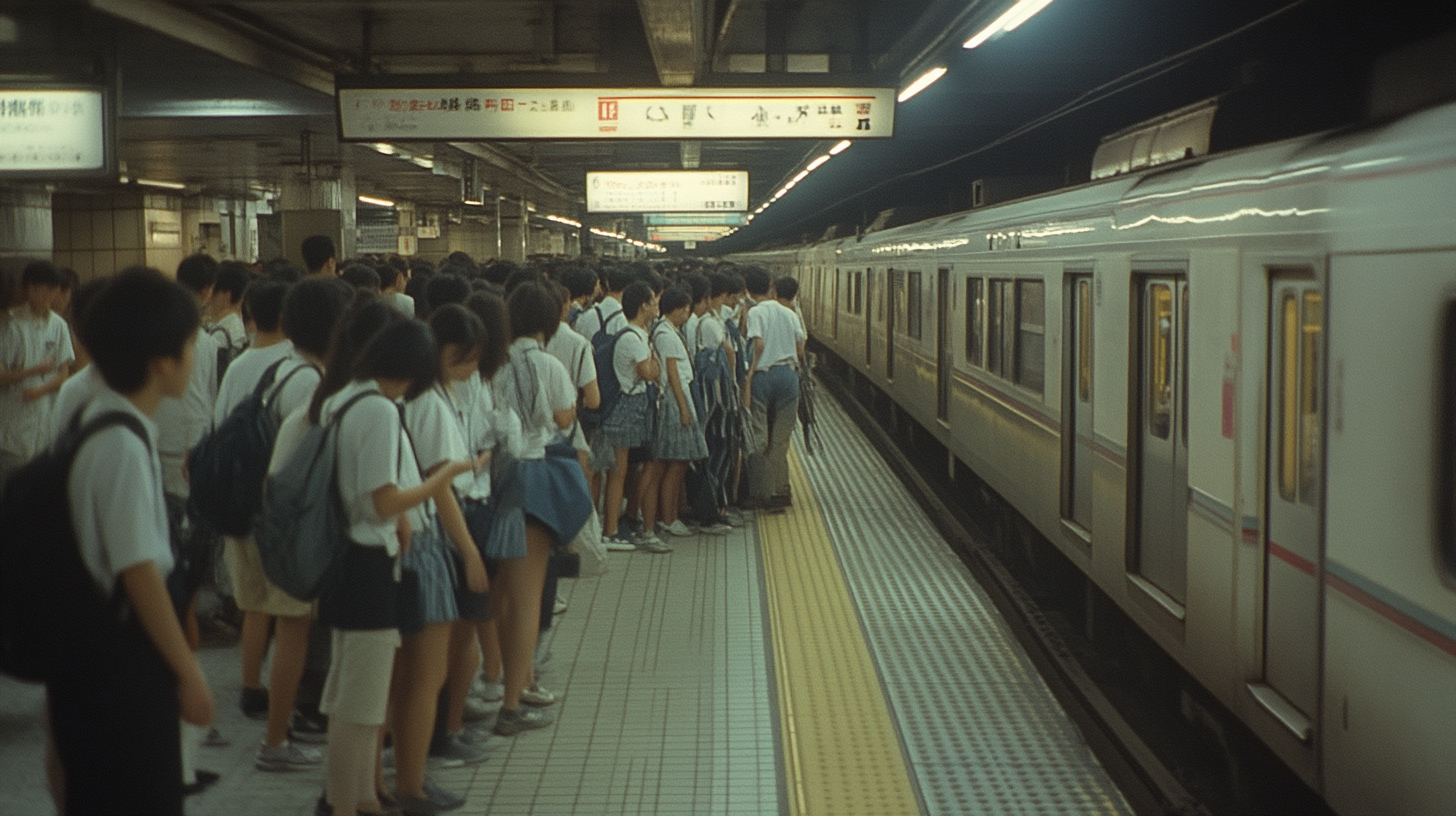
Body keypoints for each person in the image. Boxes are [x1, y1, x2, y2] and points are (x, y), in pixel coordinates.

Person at [48, 267, 215, 816]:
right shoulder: (119, 442)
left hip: (93, 656)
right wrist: (189, 674)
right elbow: (139, 573)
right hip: (119, 665)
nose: (195, 356)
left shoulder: (101, 421)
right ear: (161, 361)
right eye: (190, 345)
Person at [307, 317, 478, 816]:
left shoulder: (341, 398)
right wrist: (444, 476)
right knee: (360, 705)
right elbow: (383, 501)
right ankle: (346, 803)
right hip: (370, 565)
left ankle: (361, 797)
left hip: (346, 562)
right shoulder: (378, 411)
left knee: (350, 697)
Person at [393, 304, 494, 813]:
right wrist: (470, 553)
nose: (472, 369)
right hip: (428, 541)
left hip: (404, 540)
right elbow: (441, 489)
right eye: (466, 358)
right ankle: (411, 783)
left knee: (403, 676)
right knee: (423, 675)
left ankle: (393, 779)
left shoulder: (404, 399)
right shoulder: (428, 403)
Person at [490, 282, 591, 734]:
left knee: (501, 594)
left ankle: (509, 678)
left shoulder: (490, 363)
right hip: (532, 479)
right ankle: (512, 704)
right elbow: (566, 417)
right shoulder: (548, 364)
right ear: (547, 324)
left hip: (489, 481)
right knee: (528, 599)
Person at [597, 281, 664, 551]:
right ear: (643, 306)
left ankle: (618, 524)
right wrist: (654, 362)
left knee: (625, 470)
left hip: (633, 408)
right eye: (654, 301)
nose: (657, 305)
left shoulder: (636, 334)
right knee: (618, 471)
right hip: (626, 409)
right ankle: (611, 531)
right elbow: (649, 373)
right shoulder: (632, 337)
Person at [0, 260, 74, 490]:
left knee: (39, 491)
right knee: (11, 490)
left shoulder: (58, 325)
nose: (50, 295)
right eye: (45, 289)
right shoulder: (11, 325)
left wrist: (40, 389)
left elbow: (63, 373)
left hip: (44, 422)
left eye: (54, 290)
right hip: (13, 425)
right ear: (30, 288)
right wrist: (33, 371)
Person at [643, 287, 708, 540]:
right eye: (687, 310)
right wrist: (683, 408)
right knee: (676, 462)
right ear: (680, 309)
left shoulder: (665, 331)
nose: (688, 314)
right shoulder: (667, 335)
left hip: (675, 399)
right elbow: (672, 375)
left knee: (673, 463)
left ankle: (668, 515)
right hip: (674, 400)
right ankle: (669, 518)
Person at [744, 274, 806, 508]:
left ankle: (761, 493)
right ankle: (781, 491)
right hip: (788, 378)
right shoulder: (791, 314)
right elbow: (800, 351)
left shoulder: (756, 312)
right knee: (780, 439)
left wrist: (750, 373)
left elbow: (757, 343)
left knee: (760, 435)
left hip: (763, 377)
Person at [207, 260, 251, 356]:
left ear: (226, 295)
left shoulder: (223, 333)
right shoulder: (240, 325)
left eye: (214, 294)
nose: (210, 300)